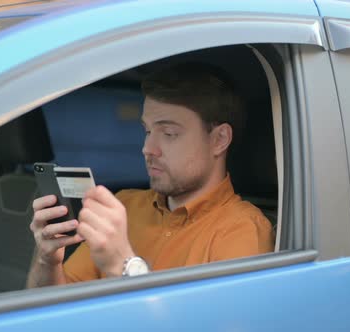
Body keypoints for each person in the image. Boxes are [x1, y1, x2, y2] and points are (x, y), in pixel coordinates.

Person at [26, 63, 275, 287]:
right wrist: (47, 261)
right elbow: (56, 308)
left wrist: (122, 265)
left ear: (219, 140)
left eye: (169, 134)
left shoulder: (242, 231)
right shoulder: (125, 206)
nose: (147, 148)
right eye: (147, 131)